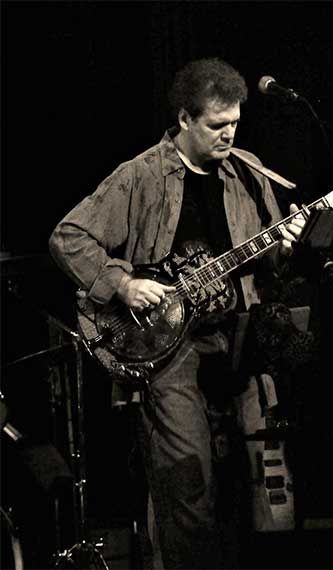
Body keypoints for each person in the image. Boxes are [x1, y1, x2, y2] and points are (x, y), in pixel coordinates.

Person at [49, 57, 306, 569]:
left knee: (253, 484)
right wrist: (123, 283)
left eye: (235, 123)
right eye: (217, 125)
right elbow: (68, 237)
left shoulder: (250, 172)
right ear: (185, 119)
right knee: (189, 485)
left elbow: (271, 261)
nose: (228, 134)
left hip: (240, 338)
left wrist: (286, 244)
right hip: (171, 349)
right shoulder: (141, 175)